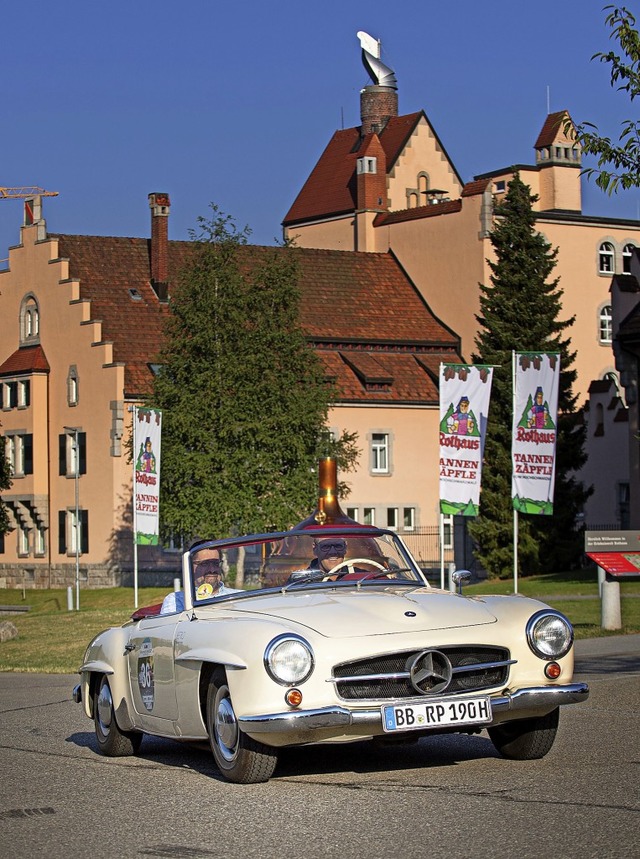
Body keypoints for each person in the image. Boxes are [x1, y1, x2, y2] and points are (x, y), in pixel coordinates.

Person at [160, 546, 242, 614]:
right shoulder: (177, 600)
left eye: (215, 563)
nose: (212, 569)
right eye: (204, 564)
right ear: (190, 566)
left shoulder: (240, 596)